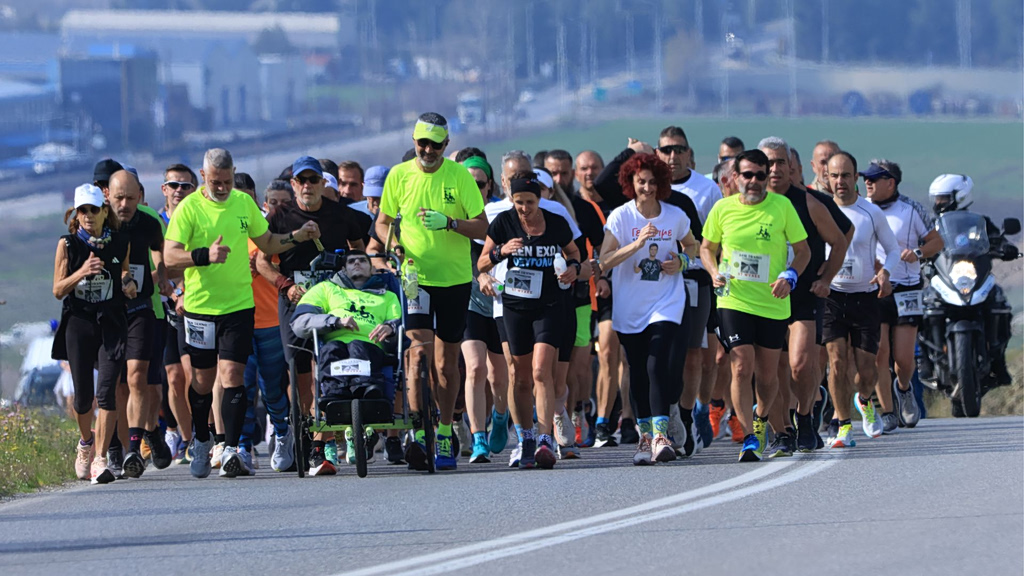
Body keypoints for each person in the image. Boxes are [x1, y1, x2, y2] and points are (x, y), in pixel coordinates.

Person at [164, 148, 321, 479]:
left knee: (232, 376)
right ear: (203, 176)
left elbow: (268, 243)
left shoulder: (243, 204)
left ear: (233, 173)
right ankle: (203, 439)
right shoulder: (189, 208)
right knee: (202, 381)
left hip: (238, 306)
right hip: (200, 308)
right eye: (215, 182)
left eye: (227, 181)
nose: (222, 188)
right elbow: (170, 257)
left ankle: (233, 449)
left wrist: (297, 236)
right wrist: (204, 256)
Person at [374, 113, 487, 471]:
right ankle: (420, 433)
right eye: (422, 143)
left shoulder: (458, 176)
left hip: (454, 280)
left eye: (435, 145)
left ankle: (444, 430)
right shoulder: (399, 175)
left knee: (445, 363)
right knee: (418, 355)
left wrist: (451, 223)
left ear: (446, 144)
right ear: (414, 141)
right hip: (415, 278)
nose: (427, 150)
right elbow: (382, 223)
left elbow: (482, 226)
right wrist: (394, 246)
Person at [700, 149, 811, 462]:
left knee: (767, 375)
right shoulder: (723, 209)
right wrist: (713, 271)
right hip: (733, 299)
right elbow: (707, 248)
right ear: (735, 177)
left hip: (772, 302)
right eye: (747, 175)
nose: (753, 181)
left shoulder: (781, 206)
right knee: (740, 365)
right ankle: (749, 436)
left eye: (760, 175)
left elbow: (803, 251)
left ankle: (761, 418)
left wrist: (790, 275)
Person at [484, 151, 584, 466]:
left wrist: (573, 269)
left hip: (549, 305)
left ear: (539, 199)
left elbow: (575, 252)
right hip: (515, 306)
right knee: (520, 376)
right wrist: (501, 251)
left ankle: (544, 439)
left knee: (541, 371)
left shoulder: (555, 222)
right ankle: (525, 437)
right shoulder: (503, 222)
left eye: (529, 202)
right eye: (519, 202)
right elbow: (482, 262)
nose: (524, 208)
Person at [599, 153, 697, 465]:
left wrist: (681, 261)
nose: (647, 187)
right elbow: (604, 261)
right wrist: (637, 244)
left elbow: (693, 245)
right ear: (631, 182)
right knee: (638, 369)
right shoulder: (621, 217)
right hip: (630, 305)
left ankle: (660, 436)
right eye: (641, 181)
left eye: (653, 182)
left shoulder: (674, 215)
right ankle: (644, 437)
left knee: (657, 364)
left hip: (666, 301)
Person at [757, 137, 852, 457]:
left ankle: (806, 416)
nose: (774, 169)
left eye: (780, 162)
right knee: (772, 370)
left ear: (792, 166)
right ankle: (782, 431)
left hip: (803, 295)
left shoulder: (809, 202)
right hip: (762, 297)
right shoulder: (750, 204)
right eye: (768, 163)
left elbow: (840, 240)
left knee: (799, 365)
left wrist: (825, 278)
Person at [290, 250, 403, 475]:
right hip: (335, 340)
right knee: (332, 350)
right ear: (344, 268)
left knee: (358, 347)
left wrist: (389, 328)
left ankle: (367, 393)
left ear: (372, 268)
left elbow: (399, 324)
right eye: (352, 261)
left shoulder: (387, 295)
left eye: (362, 260)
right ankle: (335, 396)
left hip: (370, 344)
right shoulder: (326, 289)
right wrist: (335, 321)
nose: (357, 264)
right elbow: (300, 322)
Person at [51, 184, 135, 484]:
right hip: (79, 323)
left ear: (104, 212)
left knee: (107, 391)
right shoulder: (68, 244)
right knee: (84, 398)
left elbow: (124, 271)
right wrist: (82, 272)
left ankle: (101, 458)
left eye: (93, 209)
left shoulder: (120, 241)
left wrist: (128, 283)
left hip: (110, 321)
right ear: (76, 214)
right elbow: (58, 289)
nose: (88, 215)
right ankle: (85, 442)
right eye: (82, 210)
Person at [821, 152, 900, 448]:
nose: (840, 181)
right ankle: (843, 425)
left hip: (865, 297)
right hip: (832, 296)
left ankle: (864, 399)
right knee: (837, 362)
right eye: (834, 176)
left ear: (856, 178)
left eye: (845, 175)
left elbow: (892, 250)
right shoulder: (821, 210)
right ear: (827, 178)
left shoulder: (870, 212)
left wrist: (885, 273)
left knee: (867, 371)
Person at [106, 170, 176, 477]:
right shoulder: (101, 222)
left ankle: (137, 446)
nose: (124, 205)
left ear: (141, 197)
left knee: (142, 381)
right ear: (108, 196)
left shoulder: (149, 221)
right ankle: (138, 439)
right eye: (118, 198)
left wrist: (162, 276)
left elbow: (160, 247)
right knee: (115, 385)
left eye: (130, 198)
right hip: (109, 311)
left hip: (143, 307)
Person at [863, 160, 941, 432]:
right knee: (879, 353)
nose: (868, 183)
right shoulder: (862, 208)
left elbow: (936, 241)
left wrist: (918, 253)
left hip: (907, 287)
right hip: (875, 288)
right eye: (866, 178)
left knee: (904, 359)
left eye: (874, 178)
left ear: (891, 183)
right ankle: (887, 411)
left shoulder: (911, 209)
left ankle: (904, 389)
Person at [460, 155, 510, 463]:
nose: (474, 189)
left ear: (489, 185)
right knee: (476, 367)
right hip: (469, 301)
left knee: (498, 377)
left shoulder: (501, 215)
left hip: (502, 302)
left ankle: (501, 417)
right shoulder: (455, 218)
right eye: (467, 183)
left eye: (479, 184)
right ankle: (478, 437)